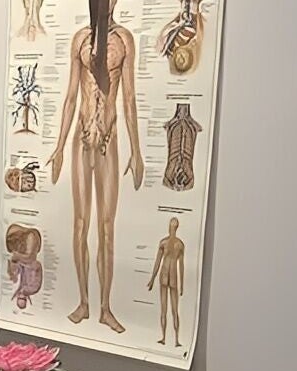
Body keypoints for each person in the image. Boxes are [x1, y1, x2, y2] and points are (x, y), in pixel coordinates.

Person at [46, 0, 143, 333]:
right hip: (81, 138)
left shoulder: (125, 40)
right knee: (80, 223)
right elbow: (71, 97)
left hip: (108, 140)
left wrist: (138, 150)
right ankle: (84, 302)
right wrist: (58, 147)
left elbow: (129, 97)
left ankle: (105, 307)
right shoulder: (80, 40)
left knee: (106, 226)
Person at [145, 217, 185, 346]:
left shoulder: (173, 244)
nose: (171, 228)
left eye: (172, 226)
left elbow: (181, 265)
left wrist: (183, 284)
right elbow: (158, 262)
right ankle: (168, 338)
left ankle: (174, 339)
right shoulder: (172, 243)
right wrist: (152, 279)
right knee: (168, 310)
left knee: (171, 310)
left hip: (168, 276)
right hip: (167, 276)